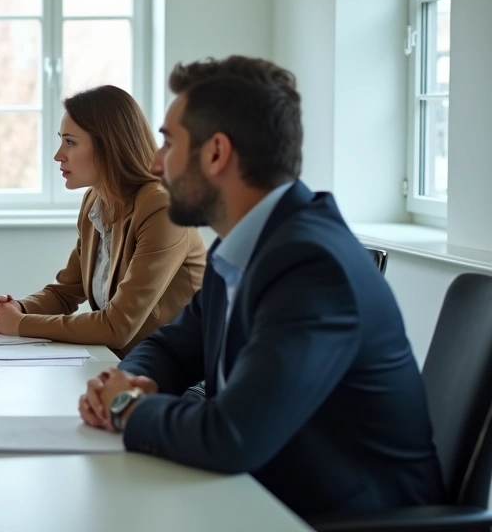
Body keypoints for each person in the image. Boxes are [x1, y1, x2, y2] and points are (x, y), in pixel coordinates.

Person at [79, 56, 443, 520]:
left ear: (216, 153)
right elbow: (171, 347)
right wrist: (127, 380)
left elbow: (233, 434)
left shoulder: (313, 265)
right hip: (264, 495)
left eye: (168, 142)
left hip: (338, 519)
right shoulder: (241, 247)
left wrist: (127, 408)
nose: (154, 162)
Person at [0, 86, 205, 358]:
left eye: (70, 142)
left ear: (109, 146)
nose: (58, 155)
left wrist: (20, 324)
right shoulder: (94, 202)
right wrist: (14, 310)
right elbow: (66, 292)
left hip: (184, 373)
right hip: (127, 363)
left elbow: (117, 326)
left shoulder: (162, 206)